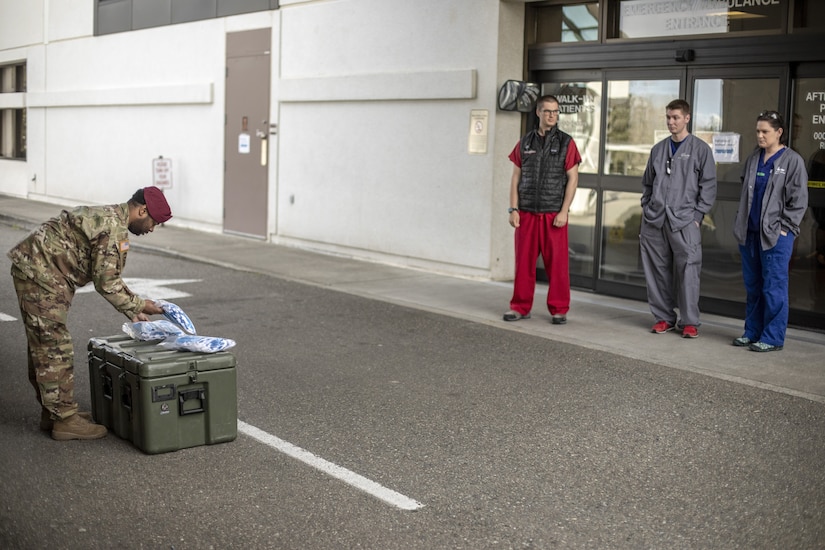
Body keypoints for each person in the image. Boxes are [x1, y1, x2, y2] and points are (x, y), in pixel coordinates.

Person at [8, 187, 173, 440]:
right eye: (154, 222)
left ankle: (53, 412)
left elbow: (108, 276)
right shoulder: (112, 230)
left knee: (43, 345)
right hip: (41, 275)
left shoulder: (111, 218)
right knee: (54, 346)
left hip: (42, 271)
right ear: (142, 210)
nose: (152, 229)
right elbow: (106, 283)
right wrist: (139, 306)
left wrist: (135, 306)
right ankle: (63, 420)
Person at [640, 99, 717, 338]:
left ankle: (689, 322)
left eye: (675, 117)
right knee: (657, 271)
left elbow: (709, 185)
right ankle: (663, 317)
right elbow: (648, 183)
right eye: (668, 117)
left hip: (685, 221)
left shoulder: (700, 150)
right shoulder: (658, 149)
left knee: (689, 270)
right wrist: (647, 207)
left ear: (687, 118)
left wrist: (697, 215)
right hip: (655, 220)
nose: (671, 122)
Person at [732, 111, 809, 352]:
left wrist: (786, 228)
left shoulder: (792, 161)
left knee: (773, 287)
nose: (760, 135)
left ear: (779, 132)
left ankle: (773, 337)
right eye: (757, 131)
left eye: (765, 131)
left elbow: (799, 200)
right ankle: (752, 331)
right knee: (753, 286)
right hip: (750, 234)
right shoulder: (754, 159)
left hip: (776, 237)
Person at [503, 94, 581, 324]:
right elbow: (515, 178)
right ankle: (520, 307)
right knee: (523, 264)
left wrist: (564, 211)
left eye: (556, 112)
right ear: (538, 112)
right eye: (547, 111)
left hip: (552, 214)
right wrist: (513, 209)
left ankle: (559, 309)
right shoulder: (525, 142)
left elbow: (573, 179)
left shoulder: (567, 142)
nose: (552, 115)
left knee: (557, 266)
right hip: (526, 214)